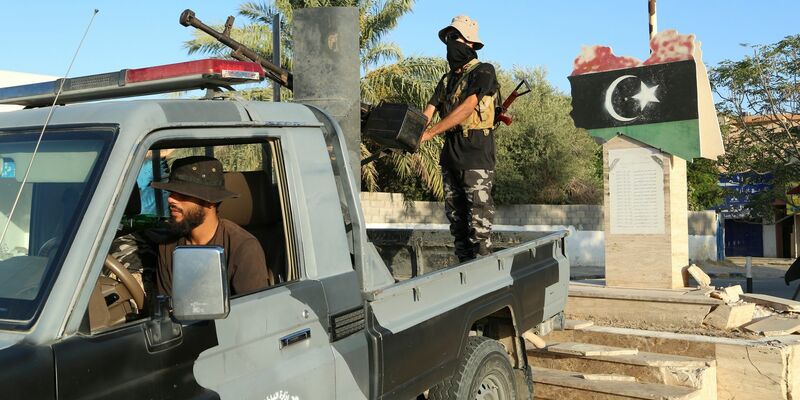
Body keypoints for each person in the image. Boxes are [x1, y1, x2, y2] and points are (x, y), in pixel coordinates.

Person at [420, 15, 499, 262]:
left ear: (471, 44)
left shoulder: (484, 71)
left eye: (456, 38)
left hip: (475, 155)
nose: (451, 43)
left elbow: (468, 107)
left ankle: (484, 279)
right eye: (448, 39)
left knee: (479, 224)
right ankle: (464, 273)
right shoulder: (447, 80)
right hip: (450, 157)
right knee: (457, 224)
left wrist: (431, 133)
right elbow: (429, 110)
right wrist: (413, 133)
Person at [151, 156, 270, 296]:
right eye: (171, 192)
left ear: (210, 202)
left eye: (183, 194)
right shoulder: (168, 246)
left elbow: (253, 312)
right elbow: (167, 309)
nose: (170, 199)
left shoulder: (243, 247)